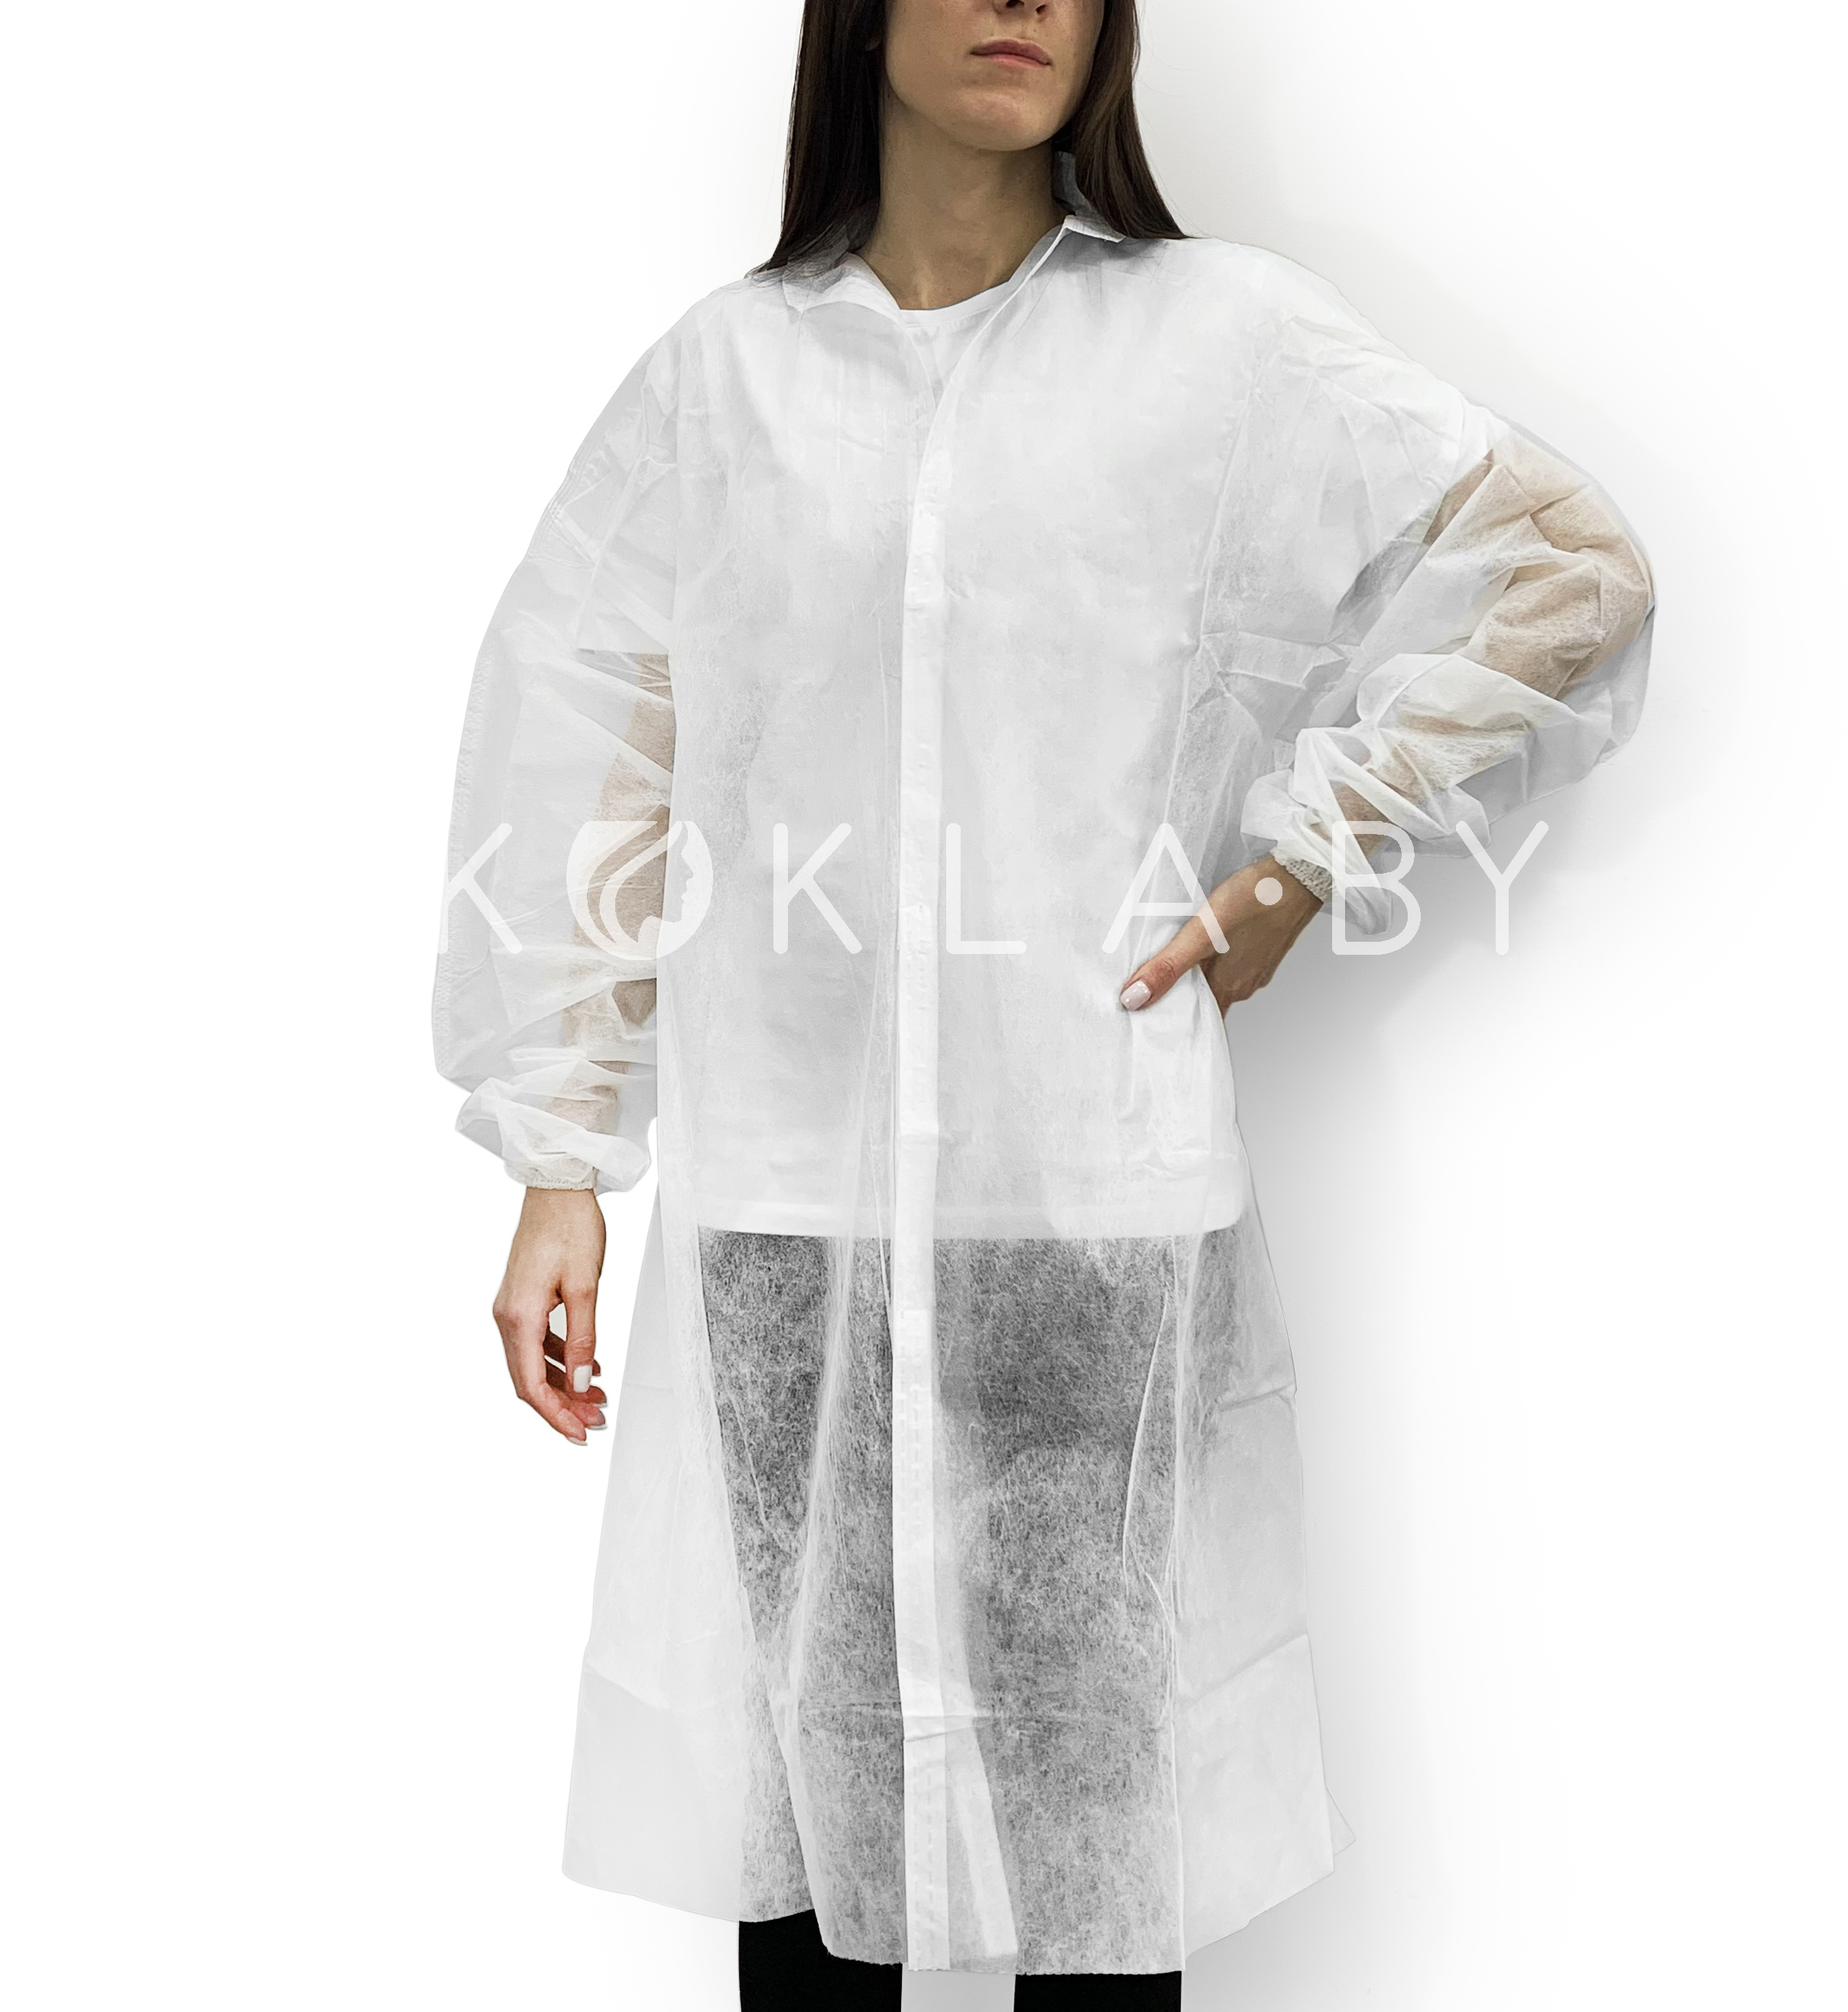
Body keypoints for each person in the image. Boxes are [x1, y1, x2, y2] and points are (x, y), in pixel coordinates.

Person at [432, 0, 1655, 2004]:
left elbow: (1567, 569)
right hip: (793, 1216)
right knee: (811, 1842)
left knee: (1096, 1860)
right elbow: (592, 747)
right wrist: (558, 1157)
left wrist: (1300, 860)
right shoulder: (726, 379)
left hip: (1081, 1218)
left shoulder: (1220, 341)